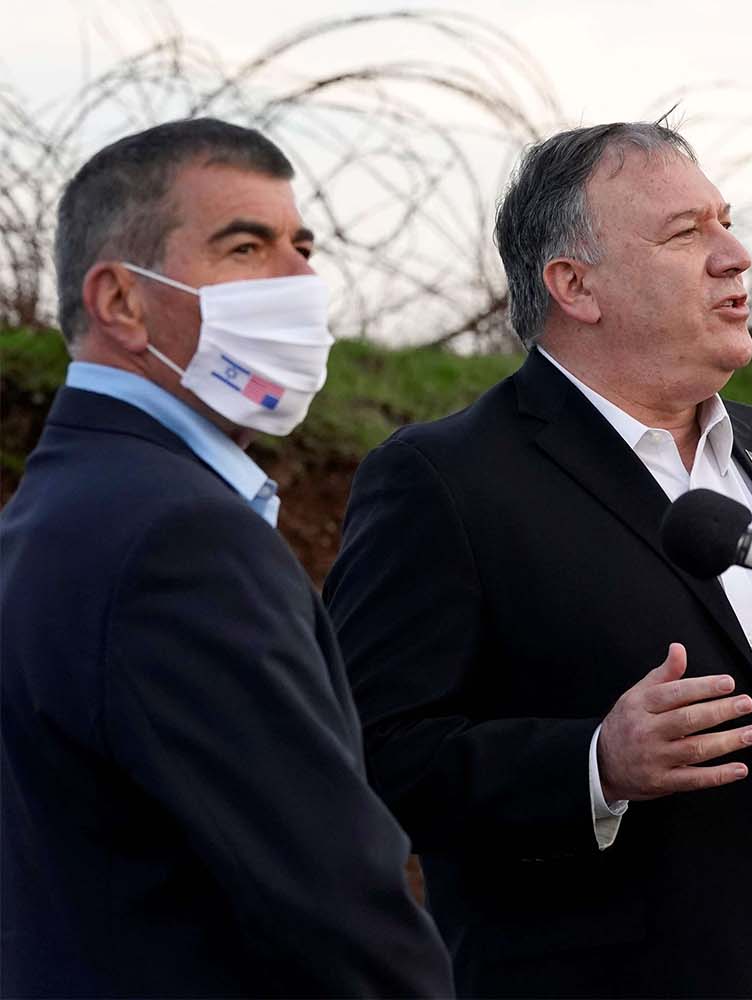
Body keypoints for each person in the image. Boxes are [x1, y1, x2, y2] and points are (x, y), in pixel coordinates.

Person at [323, 121, 752, 998]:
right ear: (575, 285)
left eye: (726, 222)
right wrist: (593, 763)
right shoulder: (445, 480)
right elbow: (366, 754)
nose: (735, 256)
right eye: (687, 234)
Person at [0, 118, 453, 997]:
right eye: (245, 247)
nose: (301, 281)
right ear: (121, 302)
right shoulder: (178, 539)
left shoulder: (55, 511)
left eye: (303, 245)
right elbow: (334, 901)